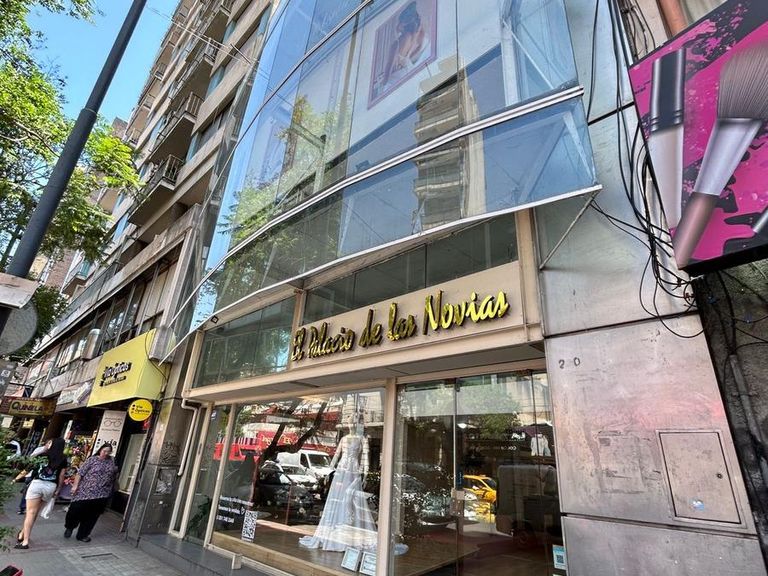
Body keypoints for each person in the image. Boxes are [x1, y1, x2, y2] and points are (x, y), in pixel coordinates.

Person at [299, 414, 376, 551]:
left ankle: (350, 530)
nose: (352, 425)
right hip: (341, 471)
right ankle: (338, 530)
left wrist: (365, 474)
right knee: (338, 498)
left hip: (353, 471)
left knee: (350, 498)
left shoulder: (362, 439)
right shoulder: (344, 439)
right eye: (350, 422)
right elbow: (336, 455)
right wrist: (328, 472)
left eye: (355, 423)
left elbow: (365, 458)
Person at [15, 437, 67, 549]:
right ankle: (22, 533)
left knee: (30, 513)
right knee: (35, 513)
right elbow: (62, 475)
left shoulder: (42, 455)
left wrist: (15, 479)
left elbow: (28, 469)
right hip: (50, 487)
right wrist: (58, 489)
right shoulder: (63, 458)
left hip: (37, 484)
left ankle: (25, 541)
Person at [64, 443, 119, 542]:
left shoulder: (111, 462)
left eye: (108, 452)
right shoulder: (92, 460)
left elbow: (114, 476)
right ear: (100, 450)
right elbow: (80, 473)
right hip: (85, 491)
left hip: (102, 493)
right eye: (104, 451)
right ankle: (70, 527)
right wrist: (75, 486)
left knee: (92, 516)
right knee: (75, 511)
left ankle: (82, 535)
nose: (106, 453)